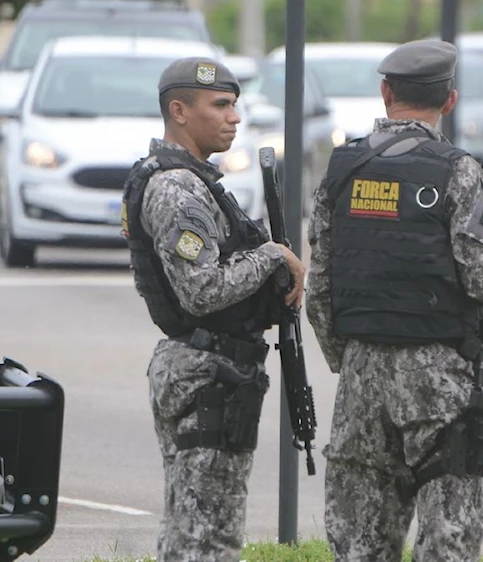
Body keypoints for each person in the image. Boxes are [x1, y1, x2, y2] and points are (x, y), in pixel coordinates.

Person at [305, 39, 483, 561]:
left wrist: (350, 357)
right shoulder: (457, 170)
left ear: (385, 92)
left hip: (360, 377)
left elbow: (319, 289)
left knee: (359, 541)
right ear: (449, 100)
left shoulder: (343, 167)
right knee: (448, 536)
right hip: (438, 379)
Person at [120, 56, 306, 561]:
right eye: (221, 106)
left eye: (235, 105)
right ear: (179, 111)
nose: (235, 117)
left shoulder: (193, 180)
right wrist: (270, 255)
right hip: (206, 372)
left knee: (193, 531)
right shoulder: (177, 188)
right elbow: (200, 291)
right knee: (207, 539)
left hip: (214, 368)